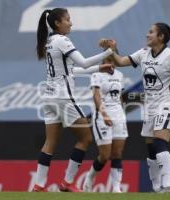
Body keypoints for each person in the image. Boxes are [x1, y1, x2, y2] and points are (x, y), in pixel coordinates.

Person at [99, 22, 170, 192]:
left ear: (160, 37)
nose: (147, 35)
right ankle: (157, 188)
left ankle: (167, 186)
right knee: (151, 149)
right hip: (150, 107)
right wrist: (111, 49)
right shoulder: (143, 53)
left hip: (167, 104)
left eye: (151, 32)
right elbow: (121, 61)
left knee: (160, 143)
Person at [33, 8, 115, 192]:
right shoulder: (62, 40)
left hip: (48, 97)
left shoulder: (49, 41)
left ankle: (39, 185)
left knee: (50, 142)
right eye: (68, 20)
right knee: (85, 138)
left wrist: (100, 68)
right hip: (63, 97)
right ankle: (67, 182)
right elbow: (84, 62)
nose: (71, 23)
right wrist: (109, 51)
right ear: (57, 23)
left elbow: (73, 70)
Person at [73, 56, 128, 193]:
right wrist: (104, 114)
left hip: (119, 116)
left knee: (117, 154)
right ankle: (90, 177)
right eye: (107, 60)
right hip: (102, 116)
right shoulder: (96, 75)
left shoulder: (120, 75)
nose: (110, 63)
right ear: (103, 62)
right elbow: (96, 96)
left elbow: (119, 96)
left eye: (112, 60)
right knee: (104, 156)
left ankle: (116, 188)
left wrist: (121, 114)